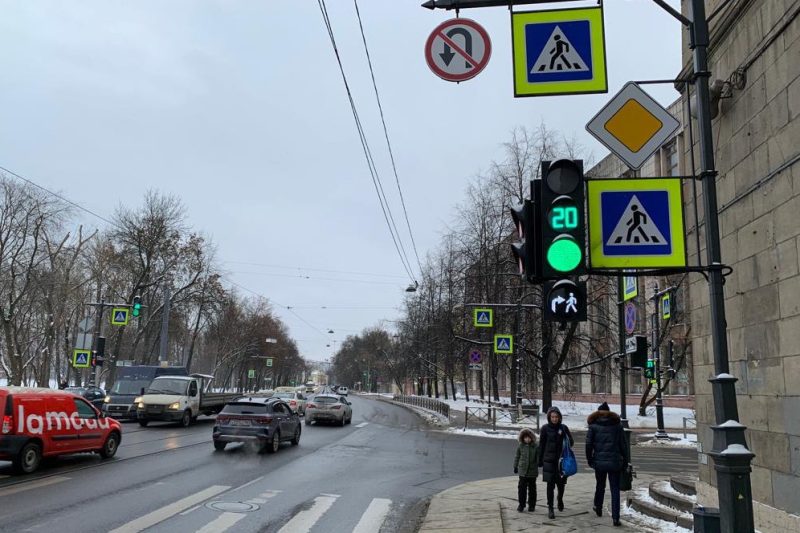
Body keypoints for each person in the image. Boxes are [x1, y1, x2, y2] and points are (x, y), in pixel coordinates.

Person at [586, 401, 629, 527]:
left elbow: (588, 445)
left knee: (600, 485)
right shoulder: (617, 426)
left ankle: (598, 506)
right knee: (615, 489)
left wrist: (590, 459)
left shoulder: (593, 426)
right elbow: (623, 445)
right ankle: (616, 518)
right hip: (615, 462)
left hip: (599, 461)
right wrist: (625, 461)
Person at [539, 406, 574, 519]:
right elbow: (542, 445)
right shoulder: (545, 428)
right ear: (549, 417)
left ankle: (560, 499)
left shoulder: (563, 428)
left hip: (561, 461)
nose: (554, 419)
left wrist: (566, 437)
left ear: (559, 418)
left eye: (556, 417)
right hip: (549, 461)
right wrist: (540, 460)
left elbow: (571, 443)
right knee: (550, 486)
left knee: (561, 484)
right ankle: (550, 508)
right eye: (552, 417)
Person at [513, 428, 539, 512]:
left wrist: (539, 463)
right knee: (521, 489)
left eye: (529, 438)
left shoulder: (535, 447)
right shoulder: (520, 446)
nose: (527, 439)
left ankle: (532, 505)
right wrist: (515, 466)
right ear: (522, 438)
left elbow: (538, 458)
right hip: (522, 471)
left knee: (532, 489)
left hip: (532, 471)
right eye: (525, 438)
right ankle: (521, 504)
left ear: (532, 438)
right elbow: (517, 457)